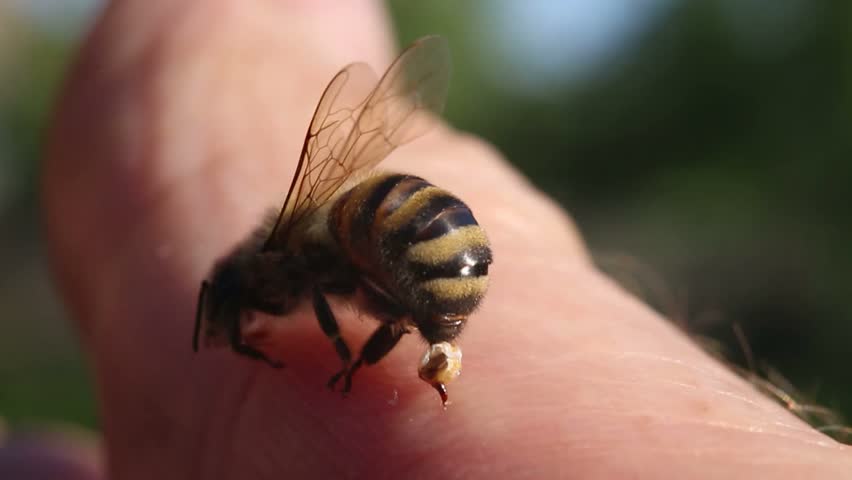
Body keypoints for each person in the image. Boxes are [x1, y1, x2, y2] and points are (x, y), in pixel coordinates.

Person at [10, 0, 849, 478]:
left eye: (235, 309)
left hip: (412, 241)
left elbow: (343, 296)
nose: (244, 320)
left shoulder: (290, 263)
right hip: (430, 243)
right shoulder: (332, 254)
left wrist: (346, 358)